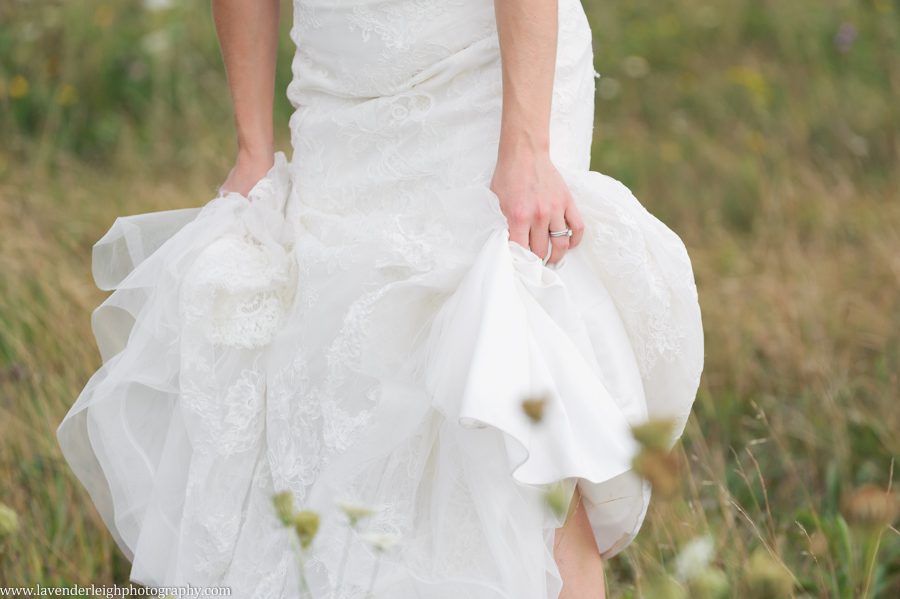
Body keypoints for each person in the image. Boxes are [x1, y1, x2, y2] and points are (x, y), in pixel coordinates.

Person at [57, 0, 704, 597]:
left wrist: (528, 147)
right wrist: (253, 147)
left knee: (505, 385)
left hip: (486, 78)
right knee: (345, 388)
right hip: (342, 91)